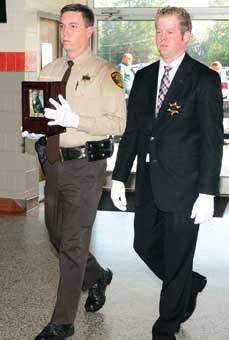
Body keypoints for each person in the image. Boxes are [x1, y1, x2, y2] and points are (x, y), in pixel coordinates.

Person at [110, 6, 223, 340]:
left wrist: (207, 192)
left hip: (186, 186)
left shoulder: (203, 79)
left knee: (177, 255)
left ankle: (167, 324)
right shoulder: (144, 78)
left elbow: (213, 141)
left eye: (170, 32)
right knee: (143, 244)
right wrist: (118, 175)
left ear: (186, 36)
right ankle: (189, 282)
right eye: (159, 31)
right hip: (148, 181)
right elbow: (133, 132)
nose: (162, 38)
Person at [29, 4, 127, 340]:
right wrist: (34, 127)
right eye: (62, 26)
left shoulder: (105, 73)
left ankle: (62, 323)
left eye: (73, 26)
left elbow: (119, 122)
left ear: (89, 30)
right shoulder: (50, 69)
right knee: (56, 236)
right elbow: (37, 111)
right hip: (54, 164)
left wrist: (77, 121)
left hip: (87, 167)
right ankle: (97, 276)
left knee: (71, 244)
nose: (65, 32)